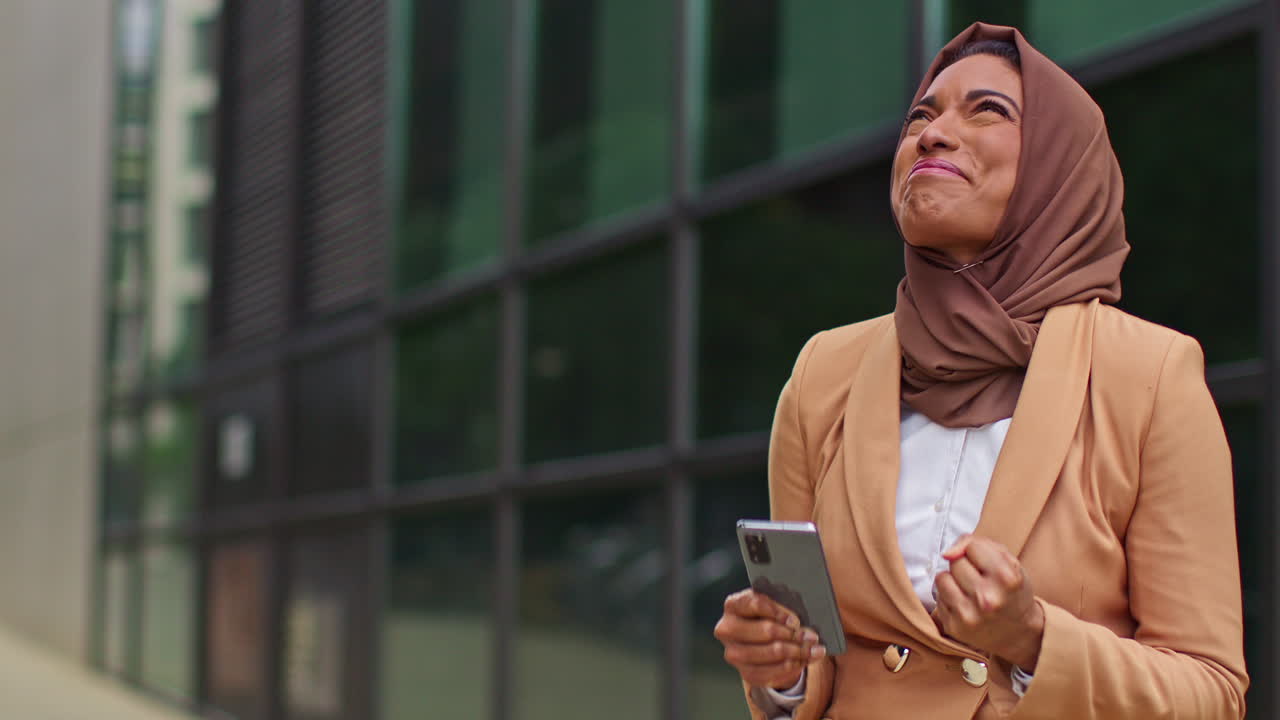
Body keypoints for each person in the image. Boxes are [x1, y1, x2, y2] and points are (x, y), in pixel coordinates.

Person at [713, 22, 1248, 720]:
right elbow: (814, 666)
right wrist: (778, 673)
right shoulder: (824, 373)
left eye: (988, 111)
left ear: (1059, 167)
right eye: (920, 118)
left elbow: (1211, 691)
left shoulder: (1148, 375)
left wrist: (1034, 642)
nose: (931, 135)